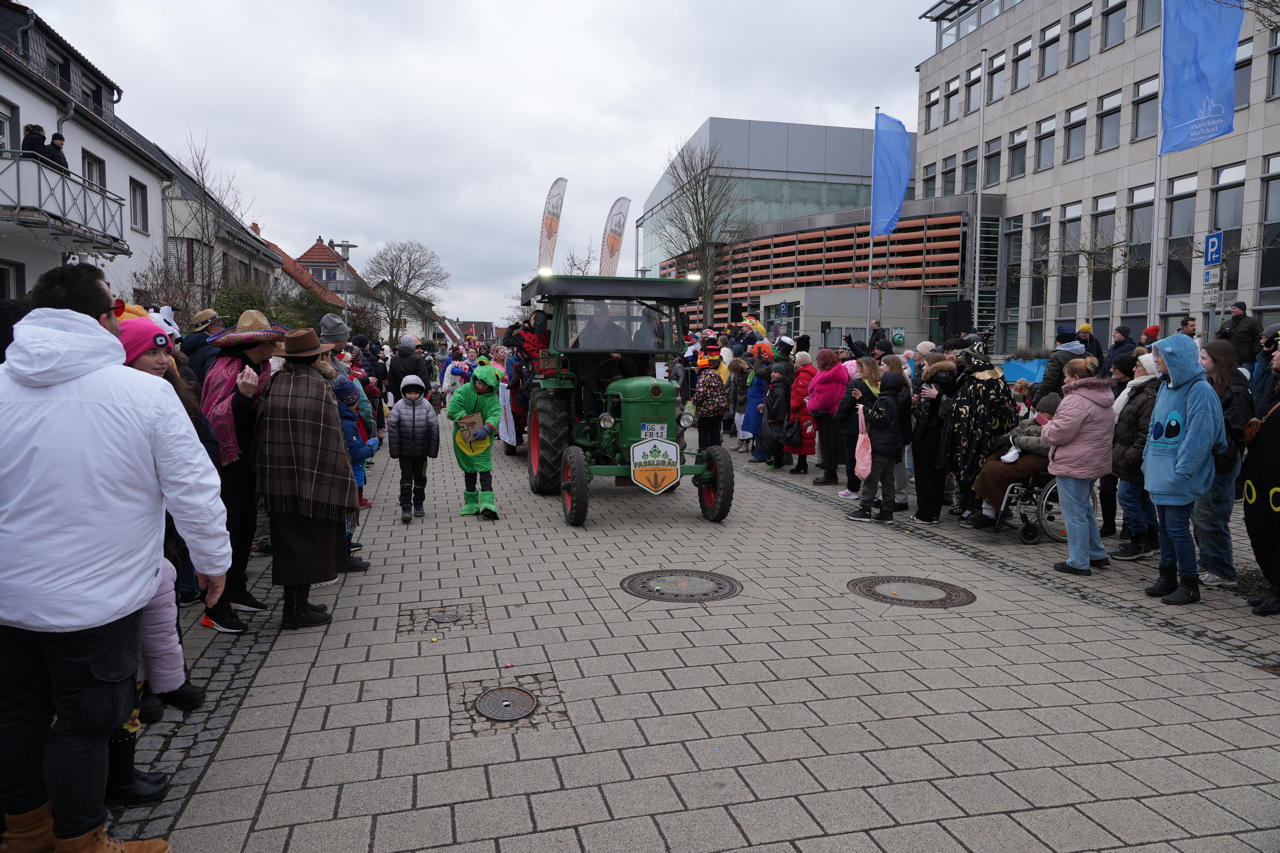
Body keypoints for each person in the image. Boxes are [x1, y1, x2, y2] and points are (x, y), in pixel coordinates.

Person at [0, 263, 230, 853]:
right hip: (95, 601)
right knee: (87, 723)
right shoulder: (145, 394)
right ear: (105, 321)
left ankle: (25, 832)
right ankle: (82, 841)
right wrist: (213, 562)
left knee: (18, 715)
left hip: (9, 597)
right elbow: (194, 488)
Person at [258, 329, 357, 629]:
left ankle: (299, 603)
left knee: (289, 543)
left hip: (279, 481)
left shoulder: (276, 383)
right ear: (315, 356)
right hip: (314, 480)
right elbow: (332, 436)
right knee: (308, 544)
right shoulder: (318, 386)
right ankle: (294, 611)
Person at [200, 309, 288, 633]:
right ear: (258, 342)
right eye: (270, 341)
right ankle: (215, 606)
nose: (274, 346)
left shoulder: (259, 366)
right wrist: (242, 397)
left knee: (246, 528)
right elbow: (212, 416)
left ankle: (236, 589)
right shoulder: (228, 368)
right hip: (228, 465)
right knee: (229, 531)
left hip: (248, 461)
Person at [1141, 334, 1227, 605]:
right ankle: (1167, 576)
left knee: (1177, 528)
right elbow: (1154, 429)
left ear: (1176, 359)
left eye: (1160, 356)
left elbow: (1201, 435)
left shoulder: (1199, 389)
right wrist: (1147, 460)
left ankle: (1189, 583)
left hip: (1177, 475)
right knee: (1165, 527)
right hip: (1159, 472)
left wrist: (1183, 470)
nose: (1155, 361)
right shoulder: (1166, 387)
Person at [1041, 358, 1115, 575]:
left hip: (1074, 462)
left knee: (1074, 514)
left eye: (1066, 375)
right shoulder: (1104, 397)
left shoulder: (1075, 400)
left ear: (1076, 378)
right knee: (1085, 511)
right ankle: (1096, 553)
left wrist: (1046, 427)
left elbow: (1058, 434)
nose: (1064, 379)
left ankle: (1078, 561)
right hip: (1093, 460)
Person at [1193, 340, 1254, 589]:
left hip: (1222, 460)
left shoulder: (1236, 390)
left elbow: (1238, 429)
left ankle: (1222, 569)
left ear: (1219, 360)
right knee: (1201, 514)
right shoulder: (1211, 385)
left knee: (1212, 515)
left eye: (1204, 358)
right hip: (1210, 458)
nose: (1200, 362)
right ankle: (1208, 560)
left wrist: (1215, 441)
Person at [948, 344, 1019, 519]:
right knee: (982, 468)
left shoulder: (974, 383)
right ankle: (981, 506)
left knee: (971, 469)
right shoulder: (998, 380)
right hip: (995, 435)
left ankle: (974, 507)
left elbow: (963, 410)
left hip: (975, 437)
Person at [970, 393, 1060, 528]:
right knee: (990, 460)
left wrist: (1015, 441)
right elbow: (1013, 433)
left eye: (1044, 412)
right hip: (1022, 453)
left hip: (1041, 458)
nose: (1040, 415)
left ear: (1053, 415)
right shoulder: (1028, 422)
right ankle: (991, 509)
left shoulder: (1055, 428)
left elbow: (1044, 445)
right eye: (1039, 411)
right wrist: (1005, 441)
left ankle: (992, 512)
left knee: (995, 469)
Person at [1109, 353, 1162, 561]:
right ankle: (1152, 539)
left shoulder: (1148, 395)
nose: (1134, 368)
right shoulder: (1137, 389)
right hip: (1128, 453)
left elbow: (1145, 432)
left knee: (1127, 497)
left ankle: (1139, 541)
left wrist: (1129, 458)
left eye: (1138, 365)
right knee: (1142, 498)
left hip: (1134, 457)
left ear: (1148, 370)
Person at [1242, 333, 1280, 615]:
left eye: (1278, 352)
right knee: (1260, 528)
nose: (1273, 355)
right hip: (1261, 469)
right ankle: (1272, 583)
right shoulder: (1272, 384)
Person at [845, 370, 910, 523]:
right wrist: (865, 402)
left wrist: (865, 410)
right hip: (892, 446)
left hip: (880, 445)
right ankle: (886, 512)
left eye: (882, 381)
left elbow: (880, 419)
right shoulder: (897, 399)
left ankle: (865, 509)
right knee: (888, 479)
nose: (879, 383)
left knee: (871, 478)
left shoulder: (885, 400)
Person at [446, 364, 503, 519]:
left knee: (484, 470)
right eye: (478, 382)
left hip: (482, 439)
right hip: (463, 438)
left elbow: (496, 413)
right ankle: (471, 503)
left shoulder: (492, 399)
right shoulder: (464, 391)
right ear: (474, 379)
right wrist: (467, 421)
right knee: (469, 470)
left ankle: (487, 503)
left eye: (485, 384)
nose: (480, 386)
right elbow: (453, 408)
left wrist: (486, 428)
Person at [909, 355, 959, 524]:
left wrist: (914, 405)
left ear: (932, 366)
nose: (922, 368)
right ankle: (934, 513)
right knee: (937, 475)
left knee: (924, 475)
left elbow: (924, 415)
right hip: (942, 435)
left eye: (925, 365)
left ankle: (925, 513)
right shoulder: (952, 381)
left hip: (927, 434)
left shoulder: (930, 384)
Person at [387, 375, 440, 523]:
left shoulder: (426, 405)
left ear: (420, 392)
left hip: (421, 451)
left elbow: (434, 427)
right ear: (404, 392)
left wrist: (433, 450)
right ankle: (405, 506)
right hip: (405, 452)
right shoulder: (399, 406)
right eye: (409, 392)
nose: (412, 395)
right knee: (406, 479)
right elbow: (391, 427)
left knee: (420, 479)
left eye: (415, 392)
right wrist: (394, 450)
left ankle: (418, 504)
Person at [806, 348, 848, 485]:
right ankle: (830, 473)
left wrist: (810, 404)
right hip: (829, 414)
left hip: (829, 415)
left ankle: (830, 474)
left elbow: (826, 398)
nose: (817, 361)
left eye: (819, 359)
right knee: (829, 445)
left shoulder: (831, 376)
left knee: (829, 446)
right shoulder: (831, 373)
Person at [1034, 327, 1088, 407]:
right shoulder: (1088, 355)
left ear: (1059, 343)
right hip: (1085, 398)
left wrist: (1036, 401)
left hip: (1063, 399)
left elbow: (1049, 381)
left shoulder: (1057, 356)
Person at [785, 352, 817, 473]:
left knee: (802, 438)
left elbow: (800, 395)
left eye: (796, 361)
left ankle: (802, 464)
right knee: (804, 438)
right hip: (807, 411)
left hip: (802, 412)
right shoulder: (811, 372)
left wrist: (792, 408)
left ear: (800, 362)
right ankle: (802, 463)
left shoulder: (804, 375)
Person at [692, 356, 728, 450]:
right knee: (715, 432)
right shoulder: (716, 375)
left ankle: (703, 454)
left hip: (707, 410)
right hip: (719, 409)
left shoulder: (704, 376)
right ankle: (717, 452)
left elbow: (700, 393)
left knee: (703, 432)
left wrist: (693, 402)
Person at [179, 308, 224, 383]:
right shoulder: (213, 351)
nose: (224, 329)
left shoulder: (187, 347)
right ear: (211, 328)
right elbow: (215, 383)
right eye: (222, 325)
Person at [1215, 301, 1264, 370]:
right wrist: (1222, 335)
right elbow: (1218, 339)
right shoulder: (1226, 323)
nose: (1232, 310)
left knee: (1247, 378)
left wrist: (1254, 354)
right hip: (1230, 358)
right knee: (1230, 378)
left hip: (1246, 359)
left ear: (1242, 310)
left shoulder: (1253, 322)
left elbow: (1259, 338)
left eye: (1234, 308)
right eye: (1231, 308)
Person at [762, 362, 791, 470]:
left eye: (776, 372)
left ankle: (777, 462)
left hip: (776, 418)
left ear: (782, 374)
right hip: (773, 415)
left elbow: (779, 403)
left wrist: (773, 417)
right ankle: (775, 460)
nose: (773, 374)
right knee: (775, 439)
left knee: (776, 440)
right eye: (772, 372)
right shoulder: (774, 384)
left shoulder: (779, 386)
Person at [389, 334, 434, 403]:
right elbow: (423, 378)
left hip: (399, 394)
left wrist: (394, 393)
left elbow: (391, 378)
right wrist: (427, 390)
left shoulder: (394, 359)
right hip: (415, 394)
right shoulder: (417, 359)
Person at [727, 357, 752, 452]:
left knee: (744, 422)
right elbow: (734, 385)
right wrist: (731, 397)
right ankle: (739, 441)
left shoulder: (749, 373)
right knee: (738, 421)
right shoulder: (737, 373)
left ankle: (746, 444)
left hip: (747, 399)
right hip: (739, 399)